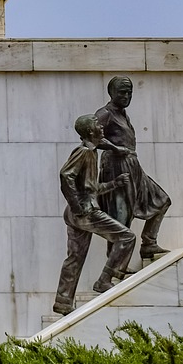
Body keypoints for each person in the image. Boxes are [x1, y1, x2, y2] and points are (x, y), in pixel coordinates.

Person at [53, 115, 136, 316]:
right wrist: (78, 205)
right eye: (98, 124)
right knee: (126, 237)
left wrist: (114, 184)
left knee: (74, 258)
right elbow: (66, 176)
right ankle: (104, 280)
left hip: (77, 212)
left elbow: (90, 187)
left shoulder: (91, 152)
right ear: (91, 131)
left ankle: (63, 302)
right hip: (85, 213)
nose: (101, 127)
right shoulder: (83, 152)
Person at [96, 76, 170, 262]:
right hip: (116, 167)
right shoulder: (105, 113)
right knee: (120, 217)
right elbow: (90, 137)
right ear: (111, 92)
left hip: (133, 166)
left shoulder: (123, 114)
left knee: (161, 200)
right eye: (122, 92)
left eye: (130, 92)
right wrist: (114, 148)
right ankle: (115, 266)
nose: (127, 96)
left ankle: (149, 243)